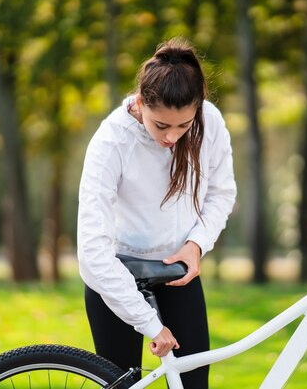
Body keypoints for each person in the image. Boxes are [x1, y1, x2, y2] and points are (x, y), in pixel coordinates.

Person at [77, 37, 237, 389]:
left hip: (176, 271)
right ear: (140, 102)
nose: (173, 137)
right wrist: (149, 323)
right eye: (161, 125)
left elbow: (222, 192)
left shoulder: (209, 122)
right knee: (124, 383)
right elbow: (92, 252)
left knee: (194, 384)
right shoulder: (111, 142)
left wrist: (196, 244)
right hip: (116, 275)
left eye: (184, 125)